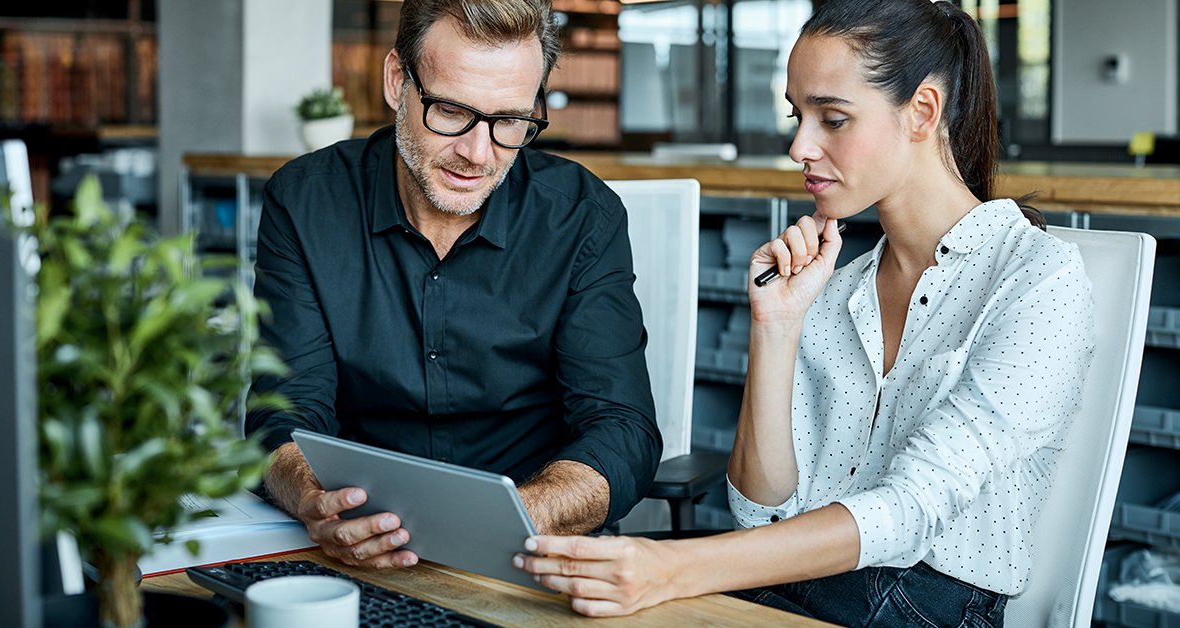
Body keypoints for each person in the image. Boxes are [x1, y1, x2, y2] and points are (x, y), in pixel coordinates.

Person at [515, 0, 1095, 624]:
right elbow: (759, 513)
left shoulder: (1039, 279)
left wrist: (674, 568)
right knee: (552, 592)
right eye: (798, 116)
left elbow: (911, 509)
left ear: (922, 111)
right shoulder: (836, 289)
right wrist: (776, 327)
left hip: (926, 604)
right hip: (805, 580)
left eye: (833, 119)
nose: (799, 146)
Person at [246, 0, 662, 572]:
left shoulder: (583, 218)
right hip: (356, 546)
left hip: (533, 549)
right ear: (397, 80)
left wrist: (512, 519)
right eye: (449, 110)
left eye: (510, 121)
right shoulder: (305, 202)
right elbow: (283, 412)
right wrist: (315, 500)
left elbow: (621, 430)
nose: (477, 154)